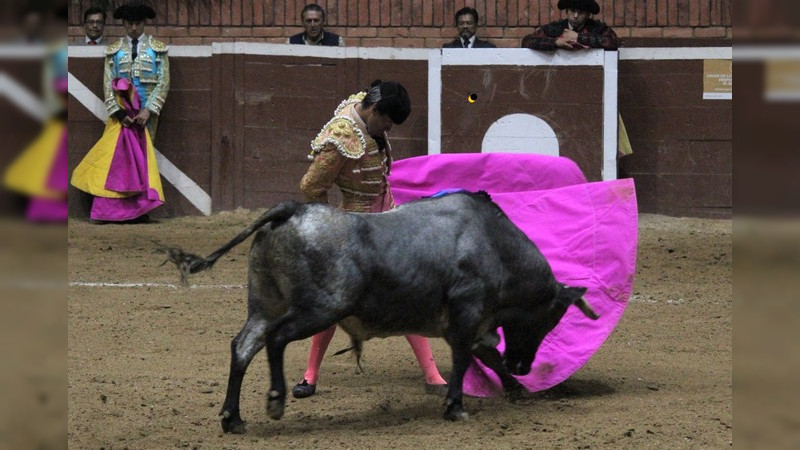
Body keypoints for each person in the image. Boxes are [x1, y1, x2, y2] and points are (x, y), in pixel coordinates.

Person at [293, 80, 448, 398]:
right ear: (374, 110)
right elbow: (311, 185)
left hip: (388, 219)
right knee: (338, 303)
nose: (389, 128)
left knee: (406, 293)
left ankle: (432, 375)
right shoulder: (342, 137)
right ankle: (310, 375)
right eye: (388, 121)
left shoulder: (365, 109)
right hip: (356, 229)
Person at [70, 1, 169, 223]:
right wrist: (119, 113)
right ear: (124, 24)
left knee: (144, 160)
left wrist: (149, 110)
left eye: (138, 23)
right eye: (130, 23)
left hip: (146, 115)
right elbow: (108, 84)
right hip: (121, 115)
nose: (134, 28)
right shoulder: (114, 51)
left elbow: (163, 82)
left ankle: (139, 211)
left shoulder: (158, 49)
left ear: (144, 23)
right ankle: (116, 210)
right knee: (118, 161)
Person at [521, 0, 619, 51]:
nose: (576, 16)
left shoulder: (597, 28)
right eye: (572, 11)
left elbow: (613, 42)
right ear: (567, 12)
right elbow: (527, 41)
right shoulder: (555, 28)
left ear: (588, 14)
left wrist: (578, 37)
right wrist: (556, 42)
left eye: (581, 12)